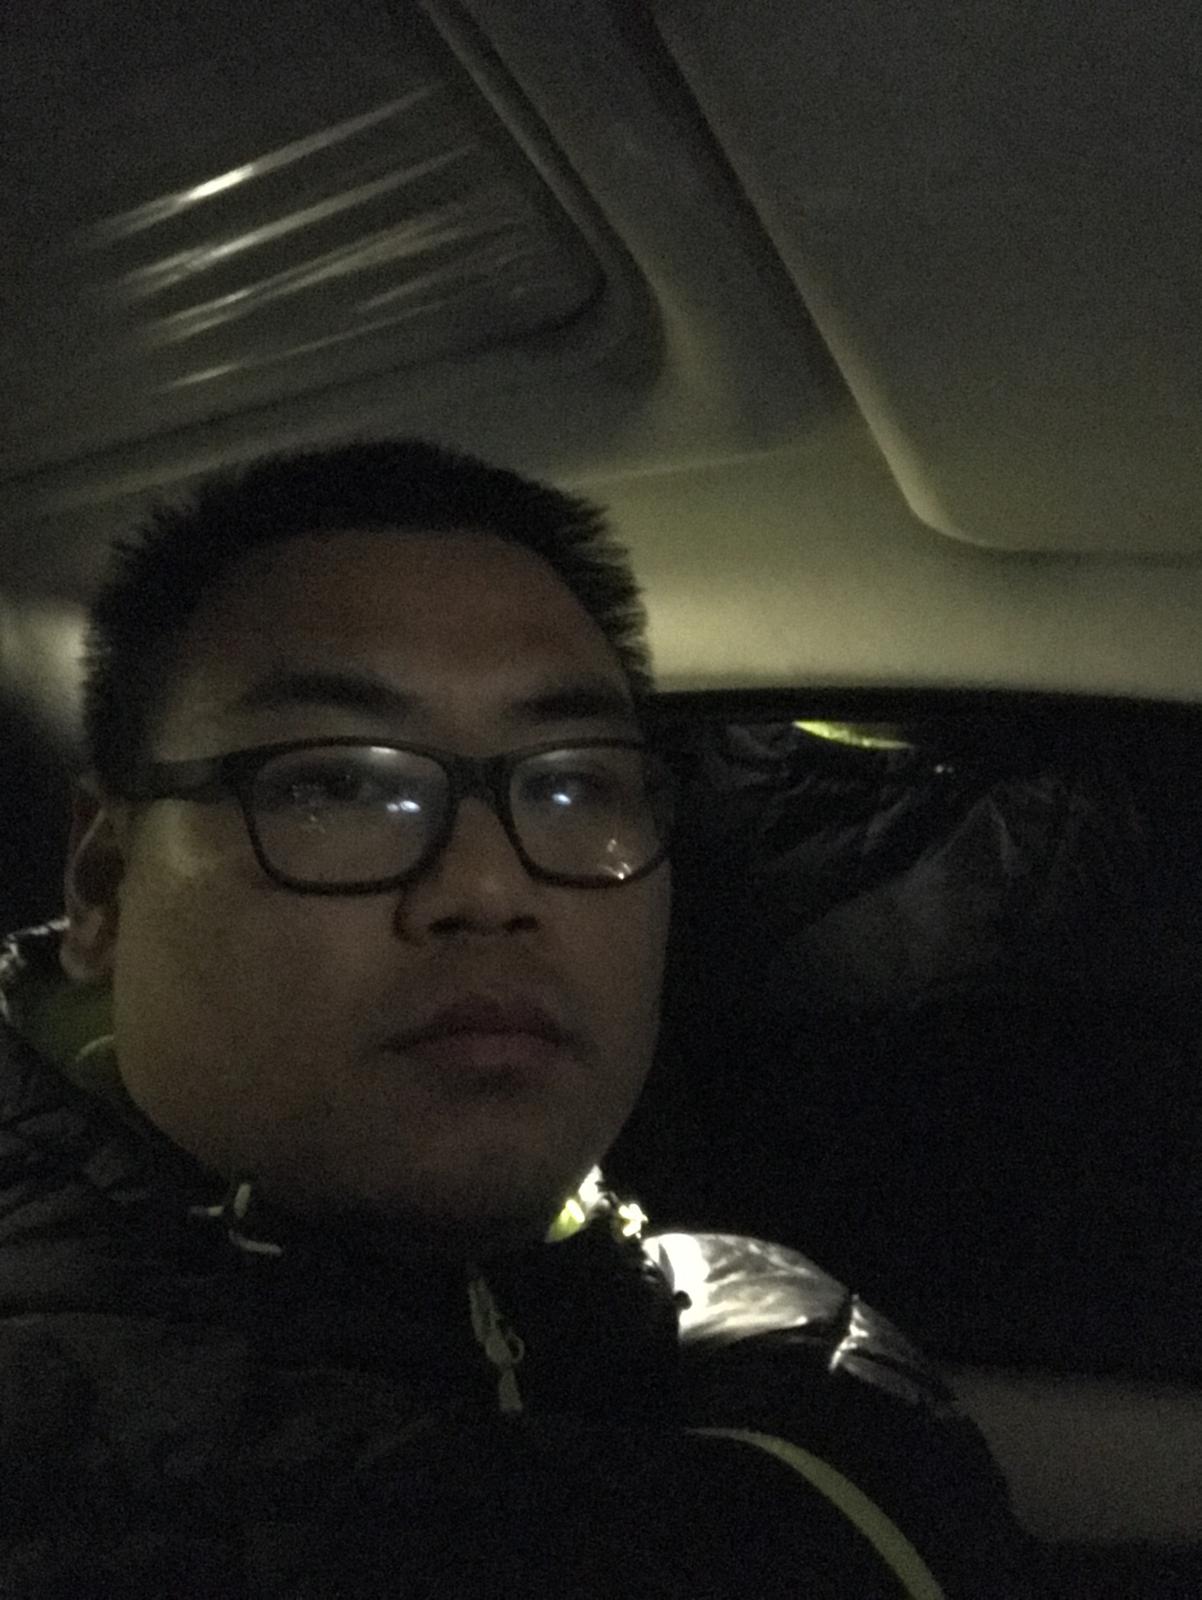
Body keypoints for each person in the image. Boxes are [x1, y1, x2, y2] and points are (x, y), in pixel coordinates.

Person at [0, 440, 1031, 1597]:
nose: (489, 889)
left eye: (573, 782)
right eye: (335, 783)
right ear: (103, 884)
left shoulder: (774, 1327)